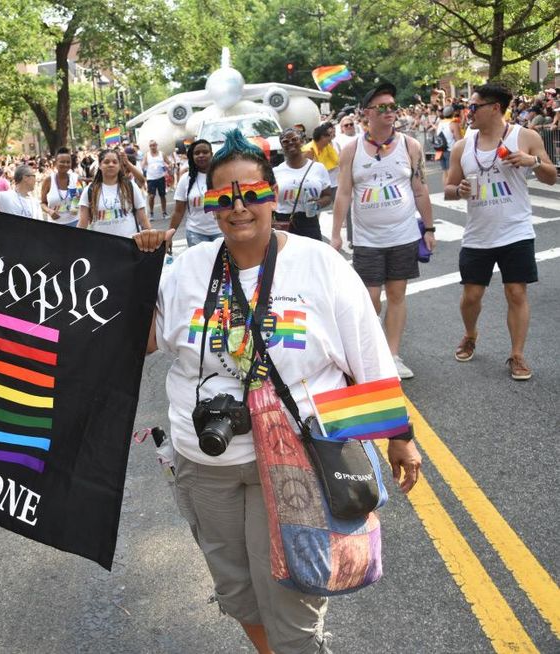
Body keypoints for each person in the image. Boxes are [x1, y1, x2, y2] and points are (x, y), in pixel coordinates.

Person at [135, 129, 421, 654]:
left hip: (298, 461)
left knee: (291, 601)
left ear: (273, 194)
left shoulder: (319, 265)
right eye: (223, 197)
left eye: (251, 193)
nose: (238, 207)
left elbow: (369, 356)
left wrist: (399, 436)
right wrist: (135, 270)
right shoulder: (186, 272)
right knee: (238, 593)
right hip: (204, 462)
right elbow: (142, 340)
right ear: (208, 203)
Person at [444, 83, 557, 380]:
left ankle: (517, 354)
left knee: (516, 292)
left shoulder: (526, 136)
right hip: (477, 235)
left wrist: (530, 160)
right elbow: (448, 189)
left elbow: (551, 176)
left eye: (474, 106)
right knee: (471, 296)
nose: (469, 112)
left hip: (515, 231)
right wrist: (459, 190)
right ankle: (470, 334)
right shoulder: (462, 146)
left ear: (495, 108)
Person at [332, 82, 436, 380]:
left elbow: (420, 190)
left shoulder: (410, 146)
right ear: (367, 114)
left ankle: (391, 355)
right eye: (383, 107)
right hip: (367, 239)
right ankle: (369, 346)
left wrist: (428, 227)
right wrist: (337, 233)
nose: (390, 112)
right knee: (370, 296)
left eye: (393, 106)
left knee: (397, 293)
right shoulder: (351, 150)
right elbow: (343, 194)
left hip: (403, 235)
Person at [274, 129, 333, 241]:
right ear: (282, 146)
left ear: (302, 141)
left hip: (310, 222)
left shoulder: (318, 168)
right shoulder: (276, 172)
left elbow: (328, 196)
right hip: (284, 223)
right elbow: (268, 201)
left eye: (294, 139)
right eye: (285, 141)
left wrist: (318, 204)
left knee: (312, 256)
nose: (290, 143)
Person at [77, 149, 151, 238]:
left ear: (119, 166)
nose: (111, 164)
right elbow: (82, 223)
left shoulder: (130, 186)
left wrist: (152, 240)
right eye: (106, 162)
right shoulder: (90, 190)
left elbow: (143, 219)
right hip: (101, 247)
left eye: (115, 162)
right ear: (100, 165)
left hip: (130, 244)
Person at [169, 139, 220, 247]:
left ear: (211, 154)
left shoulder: (222, 176)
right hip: (195, 234)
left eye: (205, 152)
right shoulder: (185, 179)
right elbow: (178, 212)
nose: (201, 155)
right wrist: (169, 236)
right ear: (192, 157)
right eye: (197, 153)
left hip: (221, 232)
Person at [39, 147, 82, 227]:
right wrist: (49, 211)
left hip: (75, 222)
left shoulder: (76, 178)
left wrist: (78, 199)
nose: (65, 164)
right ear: (55, 163)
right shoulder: (48, 181)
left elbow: (82, 199)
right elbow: (43, 203)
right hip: (55, 224)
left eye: (68, 162)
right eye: (62, 162)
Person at [302, 123, 339, 190]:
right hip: (316, 185)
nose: (329, 141)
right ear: (322, 138)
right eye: (328, 138)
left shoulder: (327, 147)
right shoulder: (308, 151)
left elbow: (337, 161)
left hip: (332, 182)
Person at [141, 140, 173, 220]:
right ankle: (151, 213)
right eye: (151, 145)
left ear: (157, 145)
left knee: (162, 195)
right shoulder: (147, 155)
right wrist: (142, 173)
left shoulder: (162, 154)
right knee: (151, 196)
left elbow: (169, 163)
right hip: (151, 179)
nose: (152, 147)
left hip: (161, 177)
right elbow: (142, 165)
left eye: (154, 145)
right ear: (149, 147)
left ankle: (164, 213)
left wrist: (169, 167)